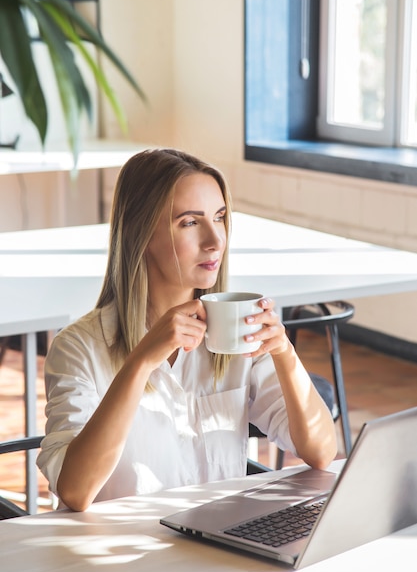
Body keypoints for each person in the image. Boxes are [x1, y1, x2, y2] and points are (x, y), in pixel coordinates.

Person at [37, 148, 337, 512]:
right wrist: (141, 362)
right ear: (141, 233)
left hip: (215, 546)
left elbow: (322, 452)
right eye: (190, 222)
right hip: (119, 557)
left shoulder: (236, 333)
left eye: (220, 217)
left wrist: (285, 354)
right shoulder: (78, 347)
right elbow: (75, 491)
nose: (215, 240)